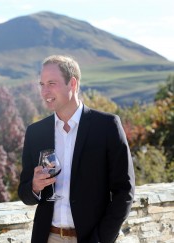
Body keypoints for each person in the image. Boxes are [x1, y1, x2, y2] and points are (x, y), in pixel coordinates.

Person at [18, 55, 135, 243]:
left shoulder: (106, 126)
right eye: (41, 84)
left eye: (51, 83)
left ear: (72, 84)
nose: (44, 91)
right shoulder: (35, 132)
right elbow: (25, 194)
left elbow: (125, 191)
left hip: (91, 238)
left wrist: (101, 239)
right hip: (48, 237)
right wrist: (34, 186)